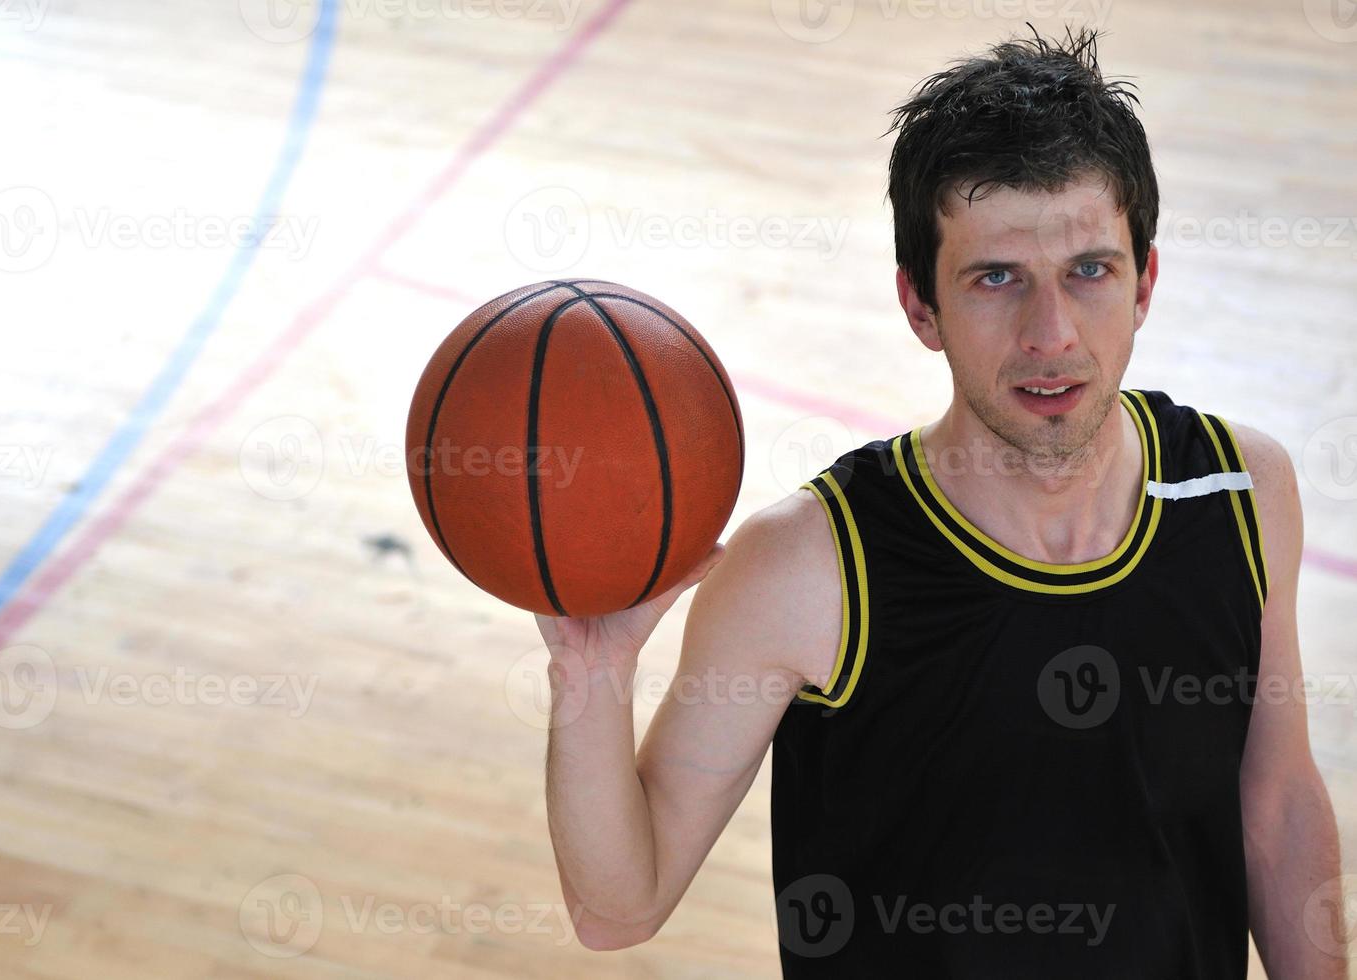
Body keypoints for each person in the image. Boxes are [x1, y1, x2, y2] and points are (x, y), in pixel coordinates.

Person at [536, 24, 1344, 978]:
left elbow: (1279, 809)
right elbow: (618, 909)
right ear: (920, 305)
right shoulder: (810, 569)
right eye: (996, 278)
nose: (1052, 333)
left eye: (1089, 270)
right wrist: (592, 673)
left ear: (1145, 283)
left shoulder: (1240, 490)